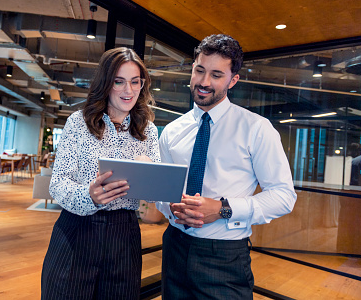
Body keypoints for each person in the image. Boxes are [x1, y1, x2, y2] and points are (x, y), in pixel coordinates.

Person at [156, 34, 297, 299]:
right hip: (174, 246)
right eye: (199, 70)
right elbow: (164, 192)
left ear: (233, 80)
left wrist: (222, 209)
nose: (204, 82)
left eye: (216, 75)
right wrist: (170, 207)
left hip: (224, 256)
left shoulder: (256, 129)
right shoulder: (172, 131)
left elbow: (283, 196)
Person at [41, 47, 160, 299]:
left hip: (124, 234)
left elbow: (154, 191)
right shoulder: (78, 122)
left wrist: (149, 171)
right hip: (78, 229)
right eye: (119, 82)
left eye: (135, 82)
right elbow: (58, 183)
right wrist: (90, 195)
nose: (128, 91)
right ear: (106, 83)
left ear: (142, 85)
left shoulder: (148, 130)